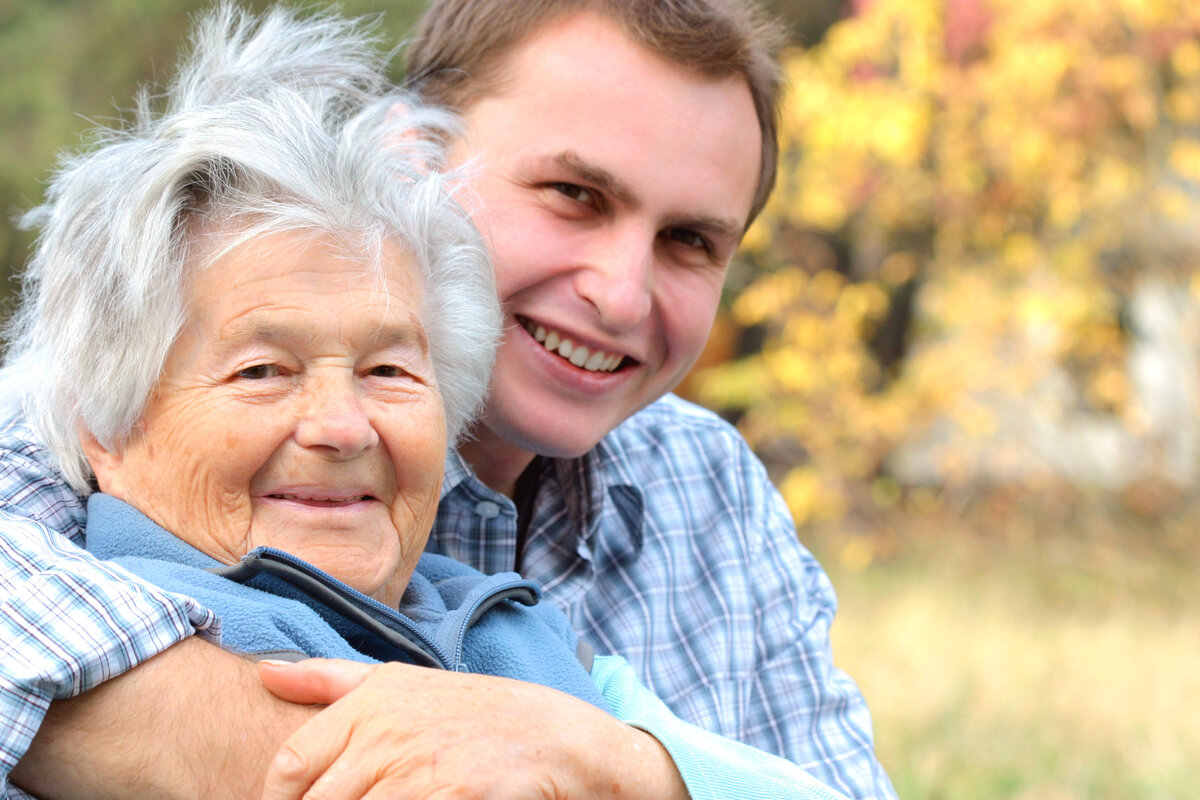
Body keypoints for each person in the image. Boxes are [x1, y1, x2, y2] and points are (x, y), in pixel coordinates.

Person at [0, 2, 895, 799]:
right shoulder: (62, 461)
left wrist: (614, 761)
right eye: (574, 195)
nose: (622, 295)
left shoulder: (692, 489)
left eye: (691, 240)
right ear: (413, 162)